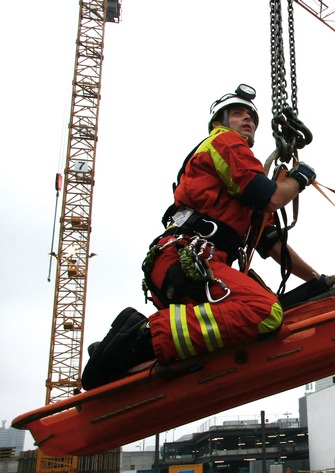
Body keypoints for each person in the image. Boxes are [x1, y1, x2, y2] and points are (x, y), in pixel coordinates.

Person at [81, 84, 319, 390]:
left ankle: (136, 356)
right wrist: (300, 178)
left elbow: (272, 243)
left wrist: (315, 278)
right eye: (238, 114)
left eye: (251, 118)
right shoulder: (226, 143)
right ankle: (137, 338)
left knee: (256, 311)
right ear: (220, 122)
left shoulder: (243, 178)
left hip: (188, 265)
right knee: (263, 311)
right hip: (189, 258)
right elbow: (271, 198)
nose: (247, 120)